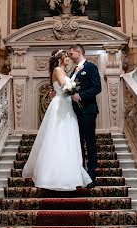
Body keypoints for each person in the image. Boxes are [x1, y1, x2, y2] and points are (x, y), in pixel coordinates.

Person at [22, 49, 92, 191]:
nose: (68, 59)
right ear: (60, 58)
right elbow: (65, 88)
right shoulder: (59, 70)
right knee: (60, 137)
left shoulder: (62, 71)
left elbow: (61, 88)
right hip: (61, 106)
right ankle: (55, 176)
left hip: (65, 105)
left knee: (68, 138)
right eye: (66, 57)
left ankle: (70, 174)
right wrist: (76, 76)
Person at [69, 44, 102, 187]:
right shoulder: (73, 71)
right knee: (79, 142)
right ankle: (80, 172)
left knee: (89, 141)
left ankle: (92, 173)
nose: (70, 56)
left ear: (79, 52)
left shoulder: (91, 67)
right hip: (76, 112)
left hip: (88, 110)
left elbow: (97, 87)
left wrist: (81, 95)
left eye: (71, 53)